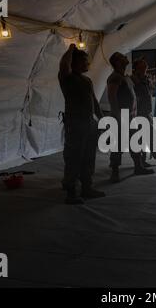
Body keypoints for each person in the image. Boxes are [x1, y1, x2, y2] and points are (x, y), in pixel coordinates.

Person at [58, 44, 105, 204]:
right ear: (75, 63)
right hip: (75, 124)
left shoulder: (87, 80)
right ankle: (71, 192)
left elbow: (94, 101)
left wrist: (102, 119)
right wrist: (71, 49)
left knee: (88, 157)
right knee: (74, 158)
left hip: (89, 123)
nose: (87, 64)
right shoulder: (67, 78)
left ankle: (87, 187)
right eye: (84, 61)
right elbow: (64, 65)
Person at [107, 52, 154, 183]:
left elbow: (139, 82)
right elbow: (112, 97)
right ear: (117, 62)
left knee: (135, 142)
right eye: (122, 57)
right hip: (121, 116)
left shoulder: (124, 77)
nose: (126, 58)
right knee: (118, 145)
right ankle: (114, 172)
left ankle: (138, 166)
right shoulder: (115, 77)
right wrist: (117, 116)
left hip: (131, 116)